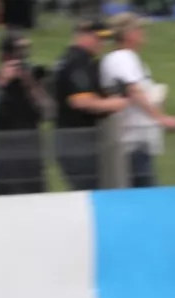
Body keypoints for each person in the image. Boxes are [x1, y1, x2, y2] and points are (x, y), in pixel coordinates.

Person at [100, 12, 175, 187]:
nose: (143, 32)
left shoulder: (125, 58)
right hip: (132, 141)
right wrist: (162, 118)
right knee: (144, 193)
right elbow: (133, 90)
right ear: (128, 34)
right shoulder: (123, 57)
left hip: (137, 140)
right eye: (139, 29)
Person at [52, 18, 129, 191]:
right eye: (98, 38)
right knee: (89, 193)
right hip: (77, 141)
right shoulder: (78, 61)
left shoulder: (72, 59)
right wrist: (116, 103)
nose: (102, 43)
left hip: (74, 139)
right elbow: (81, 101)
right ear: (82, 35)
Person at [0, 32, 52, 195]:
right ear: (4, 56)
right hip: (4, 160)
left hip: (33, 159)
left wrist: (31, 85)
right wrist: (0, 83)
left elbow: (49, 112)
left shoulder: (35, 77)